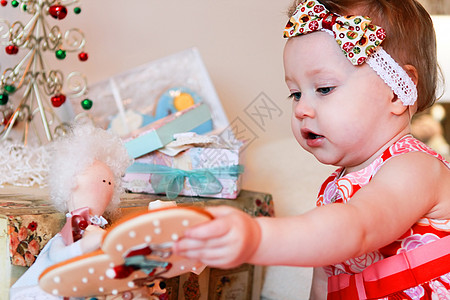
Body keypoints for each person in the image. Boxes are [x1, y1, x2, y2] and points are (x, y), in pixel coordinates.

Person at [173, 0, 450, 298]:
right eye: (295, 93)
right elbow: (325, 277)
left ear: (397, 91)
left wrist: (258, 238)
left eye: (324, 88)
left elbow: (356, 229)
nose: (302, 108)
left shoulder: (416, 168)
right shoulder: (335, 188)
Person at [10, 122, 131, 299]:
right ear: (69, 183)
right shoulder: (76, 225)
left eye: (109, 181)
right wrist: (83, 246)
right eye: (99, 180)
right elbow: (58, 254)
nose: (106, 184)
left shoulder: (97, 226)